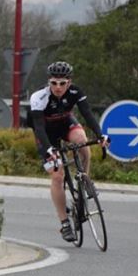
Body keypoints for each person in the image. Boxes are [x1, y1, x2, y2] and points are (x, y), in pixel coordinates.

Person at [29, 61, 109, 242]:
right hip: (46, 134)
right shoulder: (39, 97)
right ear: (49, 82)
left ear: (69, 82)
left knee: (83, 143)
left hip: (66, 124)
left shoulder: (75, 92)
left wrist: (101, 135)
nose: (58, 87)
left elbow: (87, 114)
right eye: (54, 83)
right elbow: (39, 127)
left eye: (62, 83)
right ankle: (65, 223)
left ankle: (85, 179)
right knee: (57, 176)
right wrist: (49, 148)